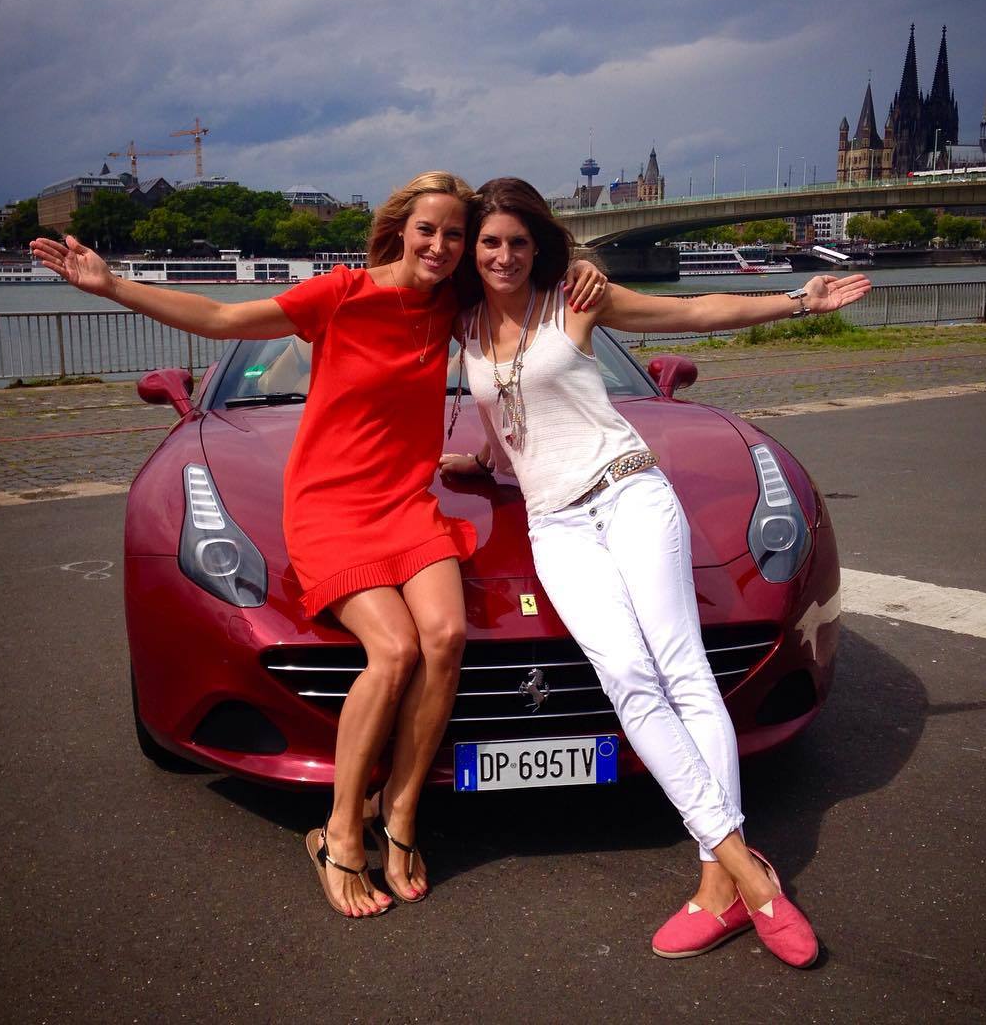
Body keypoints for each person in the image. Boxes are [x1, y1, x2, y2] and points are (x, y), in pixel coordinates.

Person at [30, 171, 606, 921]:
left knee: (445, 634)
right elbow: (220, 317)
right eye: (428, 229)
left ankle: (399, 816)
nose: (440, 245)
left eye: (453, 235)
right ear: (401, 229)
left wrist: (583, 267)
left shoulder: (451, 303)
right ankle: (339, 832)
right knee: (393, 649)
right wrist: (113, 286)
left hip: (407, 503)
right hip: (332, 506)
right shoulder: (340, 294)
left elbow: (521, 281)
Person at [440, 177, 871, 966]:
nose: (503, 256)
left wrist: (797, 302)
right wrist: (480, 462)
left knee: (682, 671)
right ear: (472, 249)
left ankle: (718, 881)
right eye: (490, 242)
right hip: (556, 523)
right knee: (627, 678)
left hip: (630, 493)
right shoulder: (463, 326)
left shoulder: (574, 300)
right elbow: (510, 417)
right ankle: (750, 874)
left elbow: (693, 312)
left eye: (518, 242)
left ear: (539, 246)